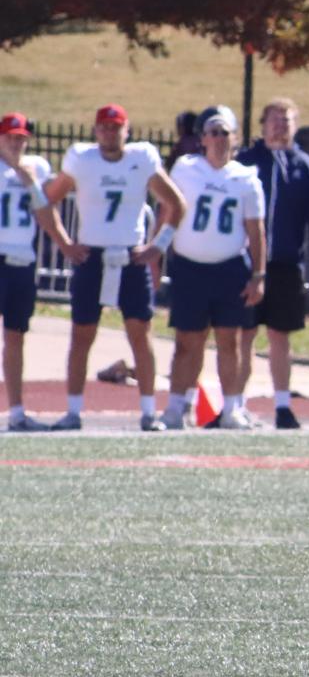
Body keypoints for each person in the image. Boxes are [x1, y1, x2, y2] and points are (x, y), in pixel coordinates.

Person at [40, 103, 188, 431]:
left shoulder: (142, 158)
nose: (110, 132)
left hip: (130, 256)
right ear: (96, 131)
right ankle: (73, 411)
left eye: (115, 127)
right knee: (82, 334)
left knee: (140, 333)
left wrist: (157, 247)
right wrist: (64, 243)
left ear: (127, 130)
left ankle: (149, 412)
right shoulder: (82, 159)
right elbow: (47, 200)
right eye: (104, 127)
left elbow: (176, 203)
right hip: (90, 255)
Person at [162, 106, 266, 431]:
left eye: (225, 132)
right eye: (213, 132)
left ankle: (232, 408)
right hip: (190, 268)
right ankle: (177, 407)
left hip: (229, 267)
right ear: (202, 138)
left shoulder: (246, 177)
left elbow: (256, 230)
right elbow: (168, 210)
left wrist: (258, 275)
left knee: (229, 341)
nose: (219, 139)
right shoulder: (185, 168)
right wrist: (155, 250)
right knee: (187, 341)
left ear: (235, 138)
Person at [236, 98, 309, 430]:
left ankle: (282, 406)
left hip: (286, 264)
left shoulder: (306, 168)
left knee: (281, 336)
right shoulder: (245, 163)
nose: (280, 125)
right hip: (247, 263)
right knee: (243, 335)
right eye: (275, 119)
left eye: (287, 120)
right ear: (263, 124)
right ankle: (235, 404)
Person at [1, 113, 56, 430]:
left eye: (21, 137)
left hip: (21, 260)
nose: (16, 142)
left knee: (16, 336)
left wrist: (27, 177)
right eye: (10, 136)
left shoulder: (37, 166)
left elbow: (45, 209)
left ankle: (17, 411)